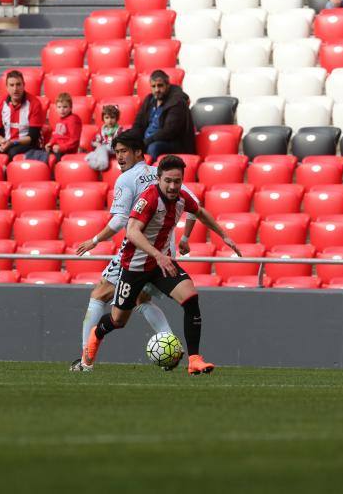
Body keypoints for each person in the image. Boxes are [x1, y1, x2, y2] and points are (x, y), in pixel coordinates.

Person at [75, 155, 242, 375]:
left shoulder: (182, 198)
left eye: (177, 181)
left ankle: (194, 360)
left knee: (191, 297)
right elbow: (132, 231)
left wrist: (224, 236)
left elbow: (199, 212)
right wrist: (158, 254)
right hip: (134, 267)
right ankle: (97, 334)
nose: (173, 186)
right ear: (159, 179)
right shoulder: (149, 199)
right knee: (118, 320)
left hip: (159, 265)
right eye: (168, 181)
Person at [70, 137, 196, 372]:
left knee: (99, 295)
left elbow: (119, 220)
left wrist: (94, 240)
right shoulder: (160, 173)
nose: (119, 157)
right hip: (164, 253)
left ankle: (85, 359)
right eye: (116, 152)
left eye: (124, 151)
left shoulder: (127, 179)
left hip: (136, 253)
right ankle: (172, 349)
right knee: (141, 300)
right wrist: (186, 237)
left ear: (139, 152)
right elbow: (194, 204)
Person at [116, 70, 195, 162]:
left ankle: (151, 174)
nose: (157, 90)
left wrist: (146, 142)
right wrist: (129, 138)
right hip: (148, 140)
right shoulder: (149, 100)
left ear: (167, 85)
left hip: (173, 143)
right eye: (153, 86)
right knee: (123, 142)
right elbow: (138, 125)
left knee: (153, 147)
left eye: (160, 85)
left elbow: (169, 131)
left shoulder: (176, 101)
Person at [0, 70, 45, 160]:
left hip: (28, 144)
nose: (15, 89)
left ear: (23, 85)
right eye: (12, 85)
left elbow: (33, 136)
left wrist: (12, 142)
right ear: (7, 87)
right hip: (7, 143)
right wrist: (3, 141)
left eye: (18, 84)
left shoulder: (34, 103)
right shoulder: (0, 103)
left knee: (12, 152)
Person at [44, 92, 82, 164]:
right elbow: (55, 136)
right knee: (41, 152)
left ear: (71, 108)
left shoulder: (73, 119)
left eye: (65, 107)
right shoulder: (59, 120)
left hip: (67, 151)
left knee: (50, 158)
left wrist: (61, 148)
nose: (62, 110)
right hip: (56, 148)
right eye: (59, 107)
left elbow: (74, 140)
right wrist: (50, 143)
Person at [85, 104, 122, 171]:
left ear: (117, 118)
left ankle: (102, 164)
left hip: (114, 150)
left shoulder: (119, 130)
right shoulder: (102, 130)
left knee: (103, 148)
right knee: (100, 148)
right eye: (107, 118)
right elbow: (95, 140)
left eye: (112, 117)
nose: (110, 120)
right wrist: (97, 143)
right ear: (103, 118)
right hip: (103, 149)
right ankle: (95, 162)